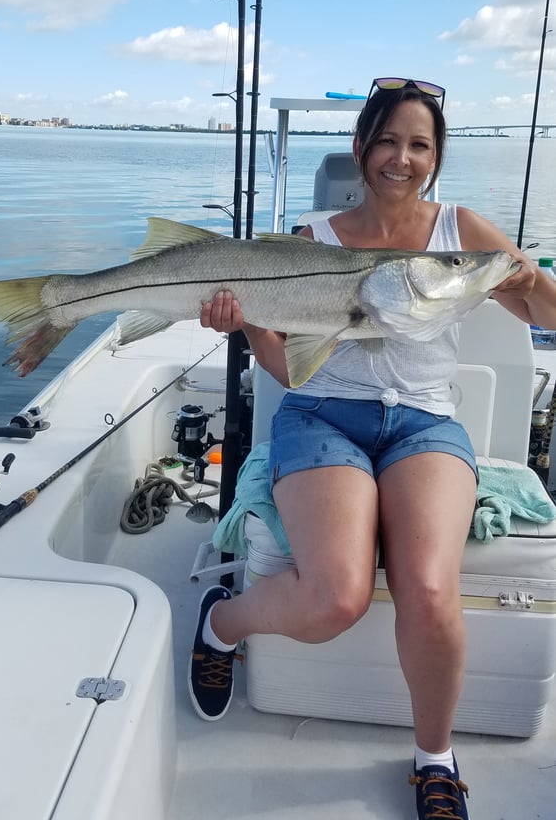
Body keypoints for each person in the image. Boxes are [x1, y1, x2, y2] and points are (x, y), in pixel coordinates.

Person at [188, 77, 556, 819]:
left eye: (419, 144)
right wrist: (246, 322)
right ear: (359, 149)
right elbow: (289, 368)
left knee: (426, 589)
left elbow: (542, 309)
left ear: (436, 156)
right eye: (386, 140)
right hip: (322, 416)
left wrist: (527, 274)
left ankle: (434, 756)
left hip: (423, 424)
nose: (401, 158)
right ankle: (219, 624)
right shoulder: (309, 239)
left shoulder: (463, 233)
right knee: (335, 600)